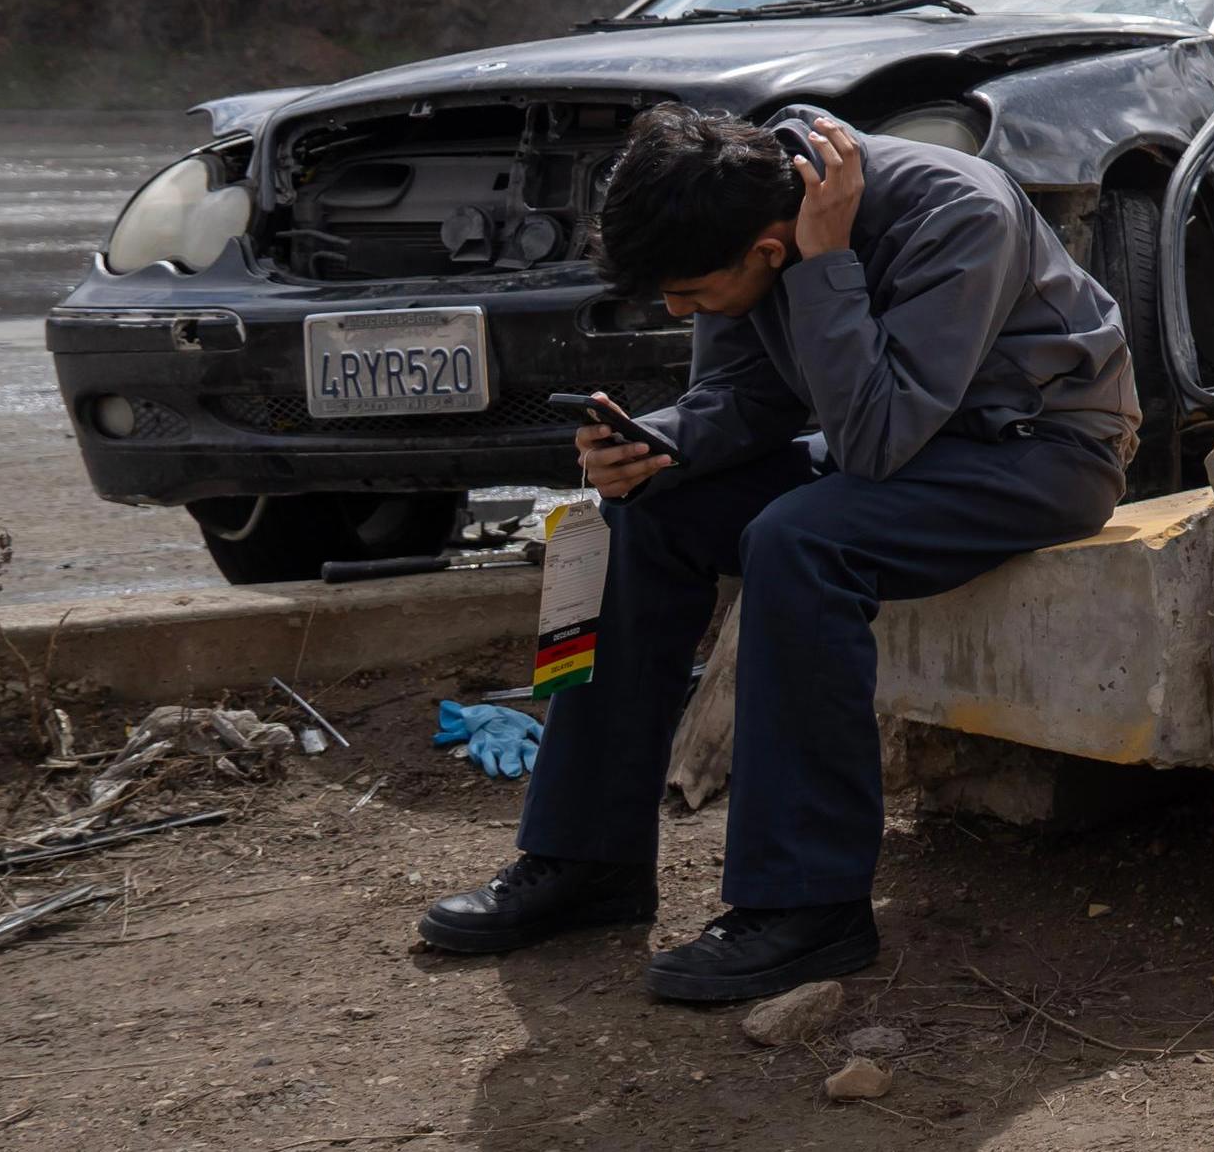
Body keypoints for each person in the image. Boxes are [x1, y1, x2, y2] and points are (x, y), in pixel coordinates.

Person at [414, 104, 1135, 1001]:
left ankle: (809, 906)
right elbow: (746, 393)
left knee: (798, 540)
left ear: (767, 250)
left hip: (1038, 449)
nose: (680, 312)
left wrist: (828, 263)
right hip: (899, 444)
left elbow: (875, 440)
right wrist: (657, 443)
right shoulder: (741, 193)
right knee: (637, 515)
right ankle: (584, 857)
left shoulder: (957, 212)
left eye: (692, 296)